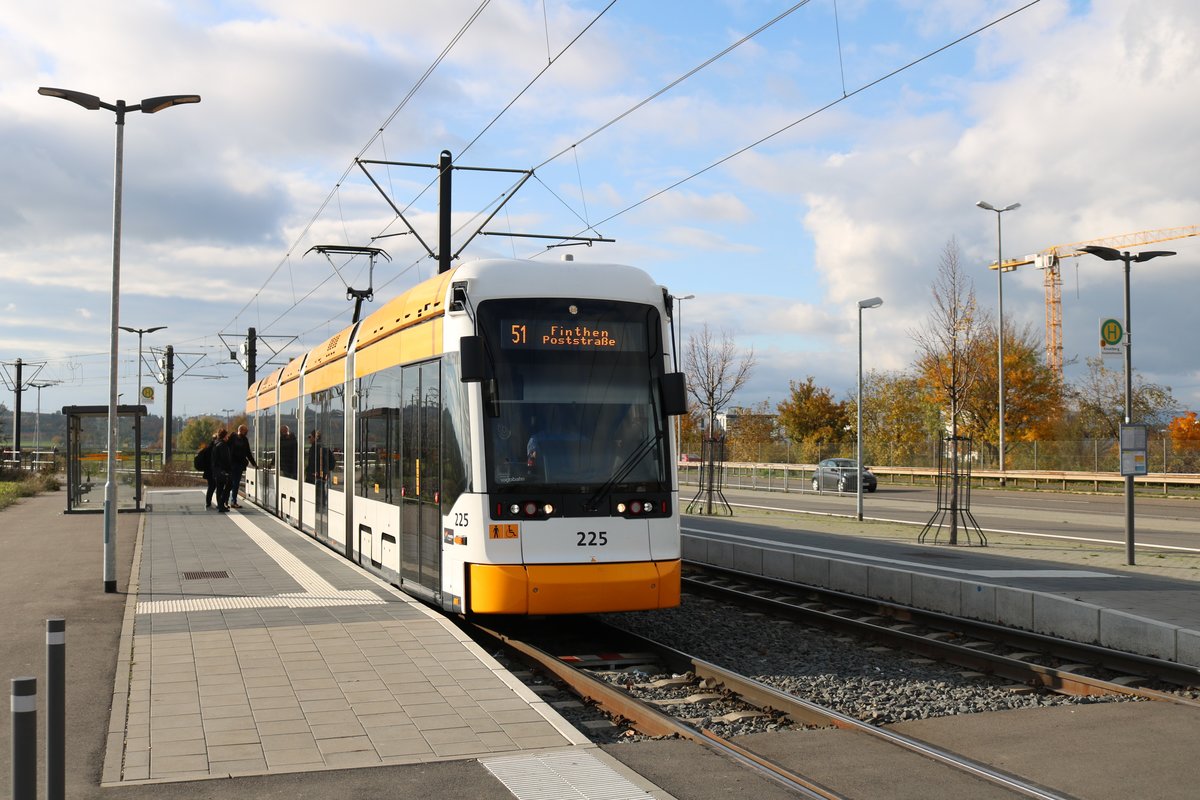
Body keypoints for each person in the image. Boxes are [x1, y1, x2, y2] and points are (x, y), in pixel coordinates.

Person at [227, 424, 258, 509]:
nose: (247, 433)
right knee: (232, 483)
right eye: (246, 431)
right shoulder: (232, 438)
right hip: (232, 464)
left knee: (235, 483)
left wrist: (254, 463)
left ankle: (232, 501)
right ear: (241, 430)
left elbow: (248, 453)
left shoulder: (244, 439)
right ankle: (228, 501)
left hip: (239, 465)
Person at [210, 428, 234, 513]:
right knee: (229, 485)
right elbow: (225, 459)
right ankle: (221, 504)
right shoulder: (223, 445)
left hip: (217, 470)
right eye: (227, 435)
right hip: (223, 470)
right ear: (224, 436)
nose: (228, 437)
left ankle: (220, 505)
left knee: (219, 488)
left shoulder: (216, 444)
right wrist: (228, 470)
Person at [195, 435, 217, 508]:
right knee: (216, 487)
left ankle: (208, 502)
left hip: (208, 471)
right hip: (213, 471)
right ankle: (218, 503)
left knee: (211, 487)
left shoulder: (207, 448)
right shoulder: (215, 448)